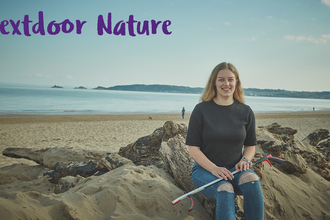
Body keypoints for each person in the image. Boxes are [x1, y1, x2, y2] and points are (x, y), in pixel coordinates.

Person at [186, 62, 264, 220]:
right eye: (221, 79)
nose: (226, 84)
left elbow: (250, 146)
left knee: (252, 179)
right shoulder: (201, 110)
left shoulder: (246, 111)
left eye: (230, 79)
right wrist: (214, 168)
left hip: (236, 170)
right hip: (205, 171)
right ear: (214, 82)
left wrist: (245, 159)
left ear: (236, 82)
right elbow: (193, 148)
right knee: (225, 187)